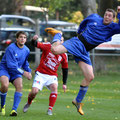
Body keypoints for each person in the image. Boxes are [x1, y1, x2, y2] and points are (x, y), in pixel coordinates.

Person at [44, 6, 120, 115]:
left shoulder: (113, 28)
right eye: (105, 15)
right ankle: (58, 34)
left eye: (109, 16)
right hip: (78, 42)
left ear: (113, 18)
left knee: (90, 77)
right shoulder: (94, 17)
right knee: (54, 50)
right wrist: (79, 32)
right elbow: (84, 22)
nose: (106, 17)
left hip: (84, 51)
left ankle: (77, 101)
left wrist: (119, 13)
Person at [23, 34, 68, 115]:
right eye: (60, 40)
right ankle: (29, 102)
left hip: (52, 76)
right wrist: (33, 40)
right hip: (41, 74)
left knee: (54, 87)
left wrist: (64, 83)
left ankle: (50, 109)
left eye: (62, 40)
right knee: (34, 92)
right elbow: (35, 44)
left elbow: (65, 69)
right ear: (56, 41)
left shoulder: (64, 54)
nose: (61, 42)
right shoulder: (48, 46)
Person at [0, 31, 32, 116]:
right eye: (21, 37)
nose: (22, 39)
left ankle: (13, 110)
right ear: (17, 39)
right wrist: (23, 73)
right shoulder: (11, 48)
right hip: (5, 69)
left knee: (20, 86)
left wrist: (28, 71)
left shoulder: (27, 50)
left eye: (24, 37)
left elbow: (25, 63)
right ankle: (2, 106)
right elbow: (11, 66)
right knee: (5, 85)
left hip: (16, 72)